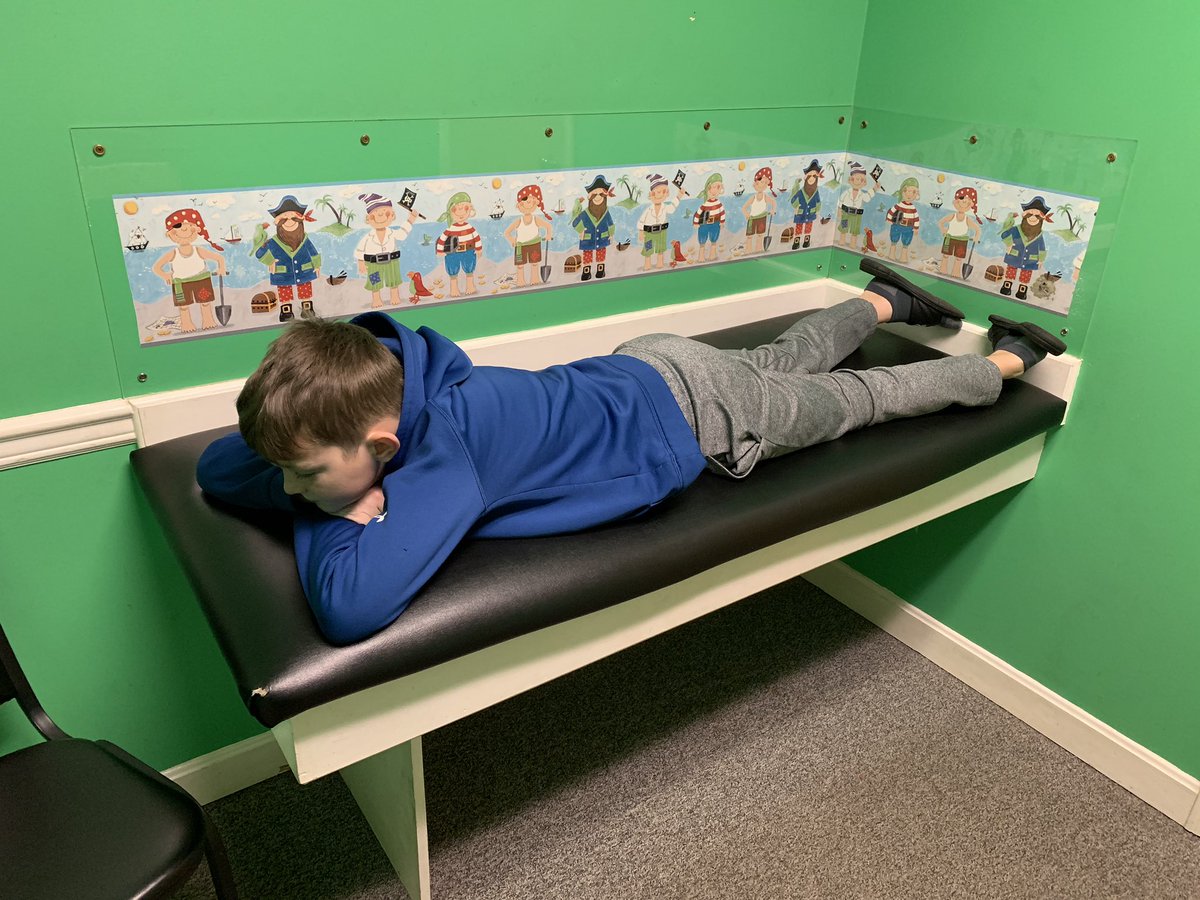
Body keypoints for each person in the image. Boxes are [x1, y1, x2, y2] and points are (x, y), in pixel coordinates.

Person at [197, 260, 1065, 644]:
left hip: (703, 415)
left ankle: (1006, 362)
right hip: (648, 362)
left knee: (854, 402)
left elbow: (350, 606)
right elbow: (216, 467)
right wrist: (323, 480)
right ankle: (882, 303)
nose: (290, 487)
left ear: (382, 443)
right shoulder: (394, 374)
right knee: (780, 359)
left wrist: (339, 509)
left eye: (304, 473)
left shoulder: (448, 451)